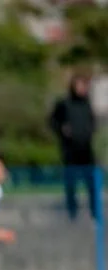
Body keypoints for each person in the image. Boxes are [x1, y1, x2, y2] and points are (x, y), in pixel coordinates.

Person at [48, 74, 99, 222]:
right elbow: (53, 121)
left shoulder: (87, 104)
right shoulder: (64, 104)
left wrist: (90, 131)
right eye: (79, 85)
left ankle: (95, 213)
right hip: (70, 150)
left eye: (84, 86)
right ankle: (72, 212)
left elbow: (92, 121)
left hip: (86, 149)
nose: (82, 89)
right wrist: (63, 130)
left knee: (91, 182)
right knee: (71, 183)